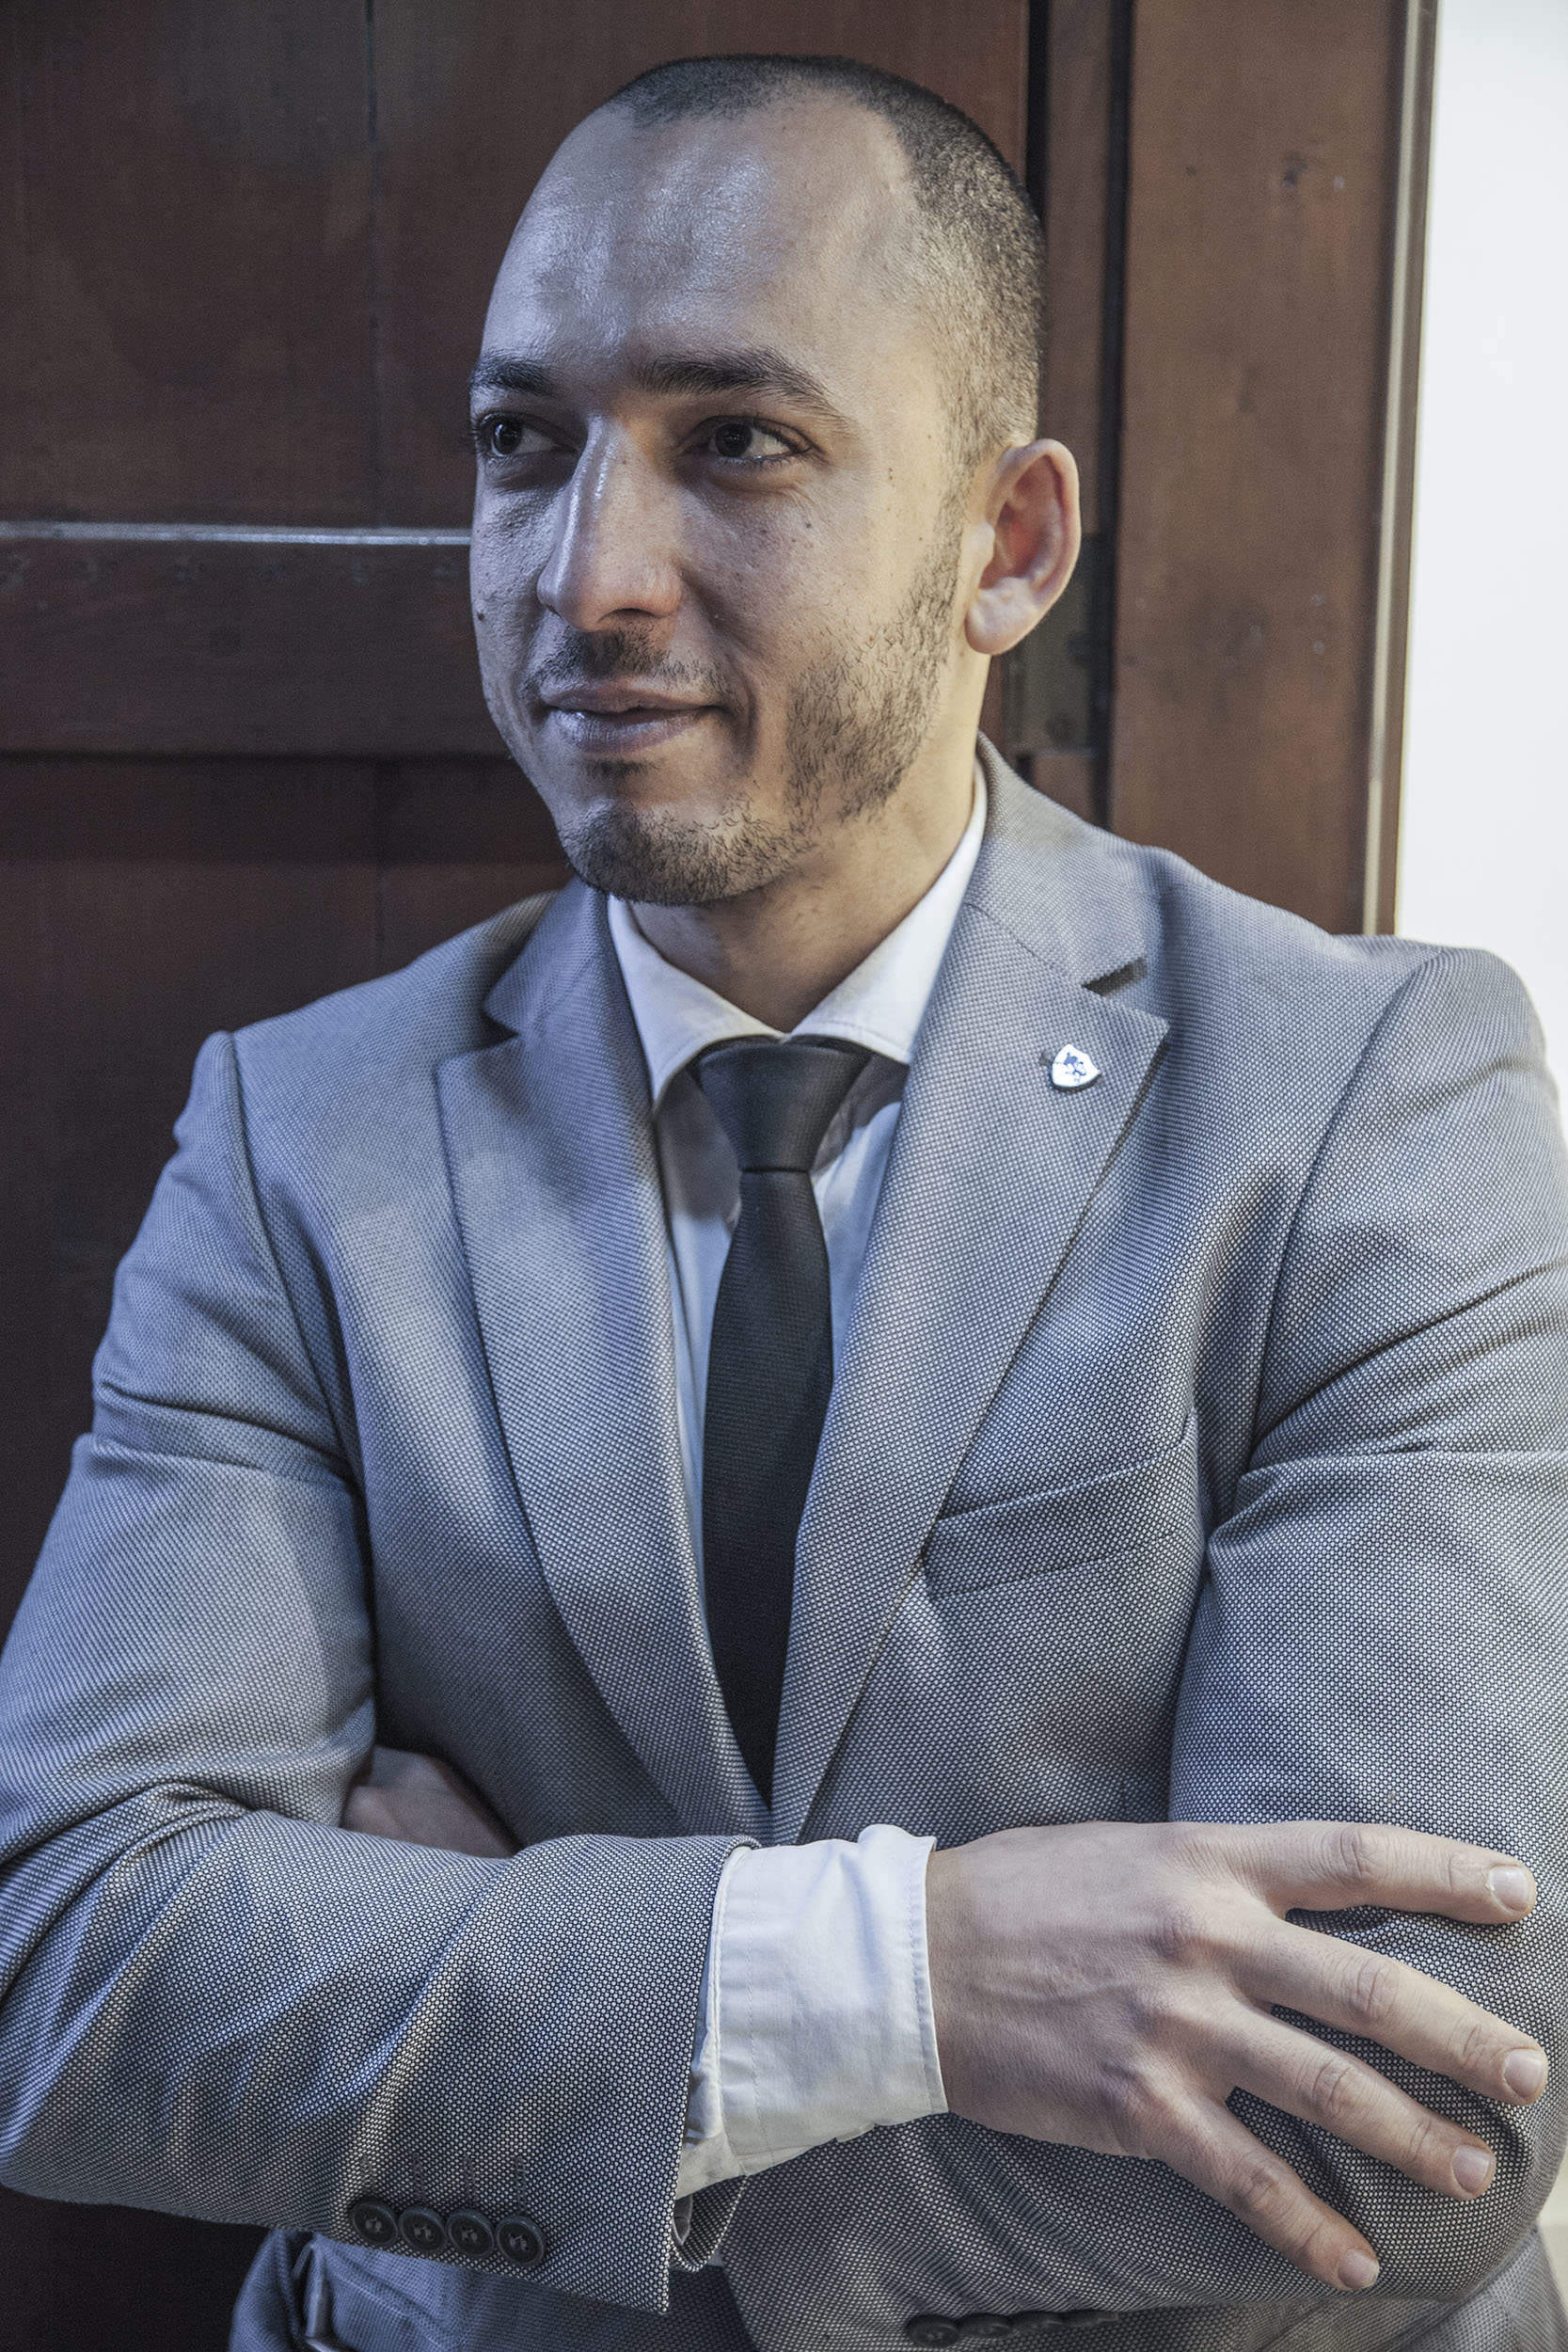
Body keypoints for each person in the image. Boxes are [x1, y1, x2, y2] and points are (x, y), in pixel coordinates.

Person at [1, 50, 1565, 2352]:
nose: (585, 573)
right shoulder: (294, 1139)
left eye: (738, 441)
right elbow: (77, 1978)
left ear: (1004, 544)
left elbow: (1396, 2111)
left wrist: (537, 2046)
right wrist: (907, 1976)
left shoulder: (1369, 1097)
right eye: (523, 444)